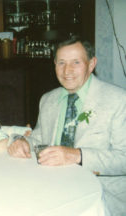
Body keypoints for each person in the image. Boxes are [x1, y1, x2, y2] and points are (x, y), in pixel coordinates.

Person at [8, 36, 126, 215]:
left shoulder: (118, 100)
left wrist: (78, 156)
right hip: (52, 187)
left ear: (92, 64)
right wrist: (22, 142)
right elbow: (38, 138)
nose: (67, 70)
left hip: (102, 196)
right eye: (61, 62)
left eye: (76, 62)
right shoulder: (48, 100)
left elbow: (123, 158)